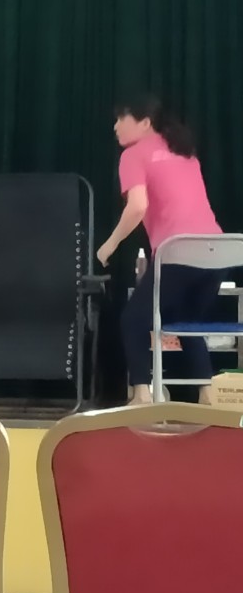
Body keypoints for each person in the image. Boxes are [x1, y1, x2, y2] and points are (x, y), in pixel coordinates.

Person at [98, 95, 222, 404]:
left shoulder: (133, 155)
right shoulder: (183, 150)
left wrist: (109, 245)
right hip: (219, 252)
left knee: (133, 319)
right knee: (187, 321)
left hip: (178, 251)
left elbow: (137, 206)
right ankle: (207, 395)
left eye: (121, 119)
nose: (115, 126)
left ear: (144, 122)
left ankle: (142, 395)